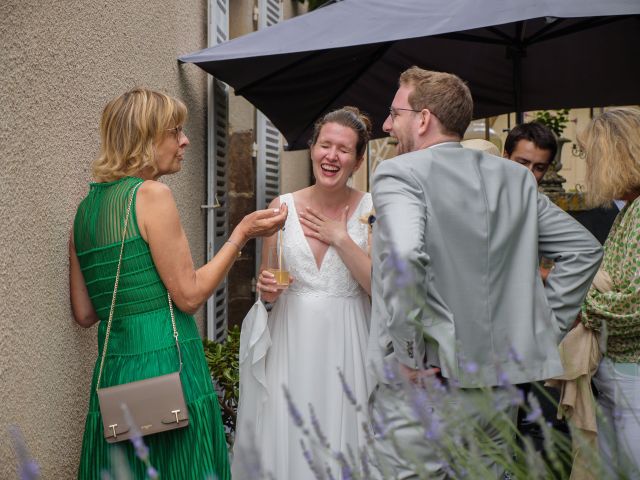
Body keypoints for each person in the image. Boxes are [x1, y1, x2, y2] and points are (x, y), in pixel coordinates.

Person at [367, 66, 603, 479]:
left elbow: (405, 256)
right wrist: (542, 328)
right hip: (500, 383)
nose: (388, 124)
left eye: (395, 112)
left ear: (423, 119)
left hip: (428, 379)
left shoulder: (398, 173)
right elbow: (583, 251)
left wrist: (407, 355)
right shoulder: (516, 179)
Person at [69, 87, 287, 479]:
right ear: (146, 137)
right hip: (166, 363)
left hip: (115, 368)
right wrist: (241, 233)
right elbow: (189, 296)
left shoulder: (85, 211)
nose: (185, 140)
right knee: (182, 468)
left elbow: (85, 313)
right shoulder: (152, 195)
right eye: (175, 131)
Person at [232, 107, 373, 479]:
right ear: (312, 149)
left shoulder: (370, 211)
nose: (332, 156)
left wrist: (341, 238)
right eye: (325, 145)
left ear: (357, 160)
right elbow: (268, 286)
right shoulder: (282, 207)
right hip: (291, 342)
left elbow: (378, 285)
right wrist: (268, 292)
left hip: (348, 343)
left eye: (344, 150)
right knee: (289, 435)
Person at [579, 107, 640, 476]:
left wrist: (578, 299)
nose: (586, 166)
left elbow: (633, 306)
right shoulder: (629, 209)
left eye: (590, 156)